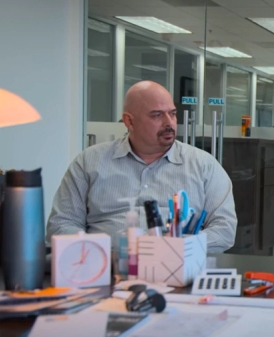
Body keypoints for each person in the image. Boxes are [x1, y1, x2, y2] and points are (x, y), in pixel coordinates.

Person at [47, 81, 237, 253]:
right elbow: (62, 223)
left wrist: (179, 248)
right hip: (104, 267)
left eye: (172, 114)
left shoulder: (204, 165)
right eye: (157, 115)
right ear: (129, 121)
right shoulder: (90, 161)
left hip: (180, 266)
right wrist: (94, 254)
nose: (169, 123)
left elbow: (224, 229)